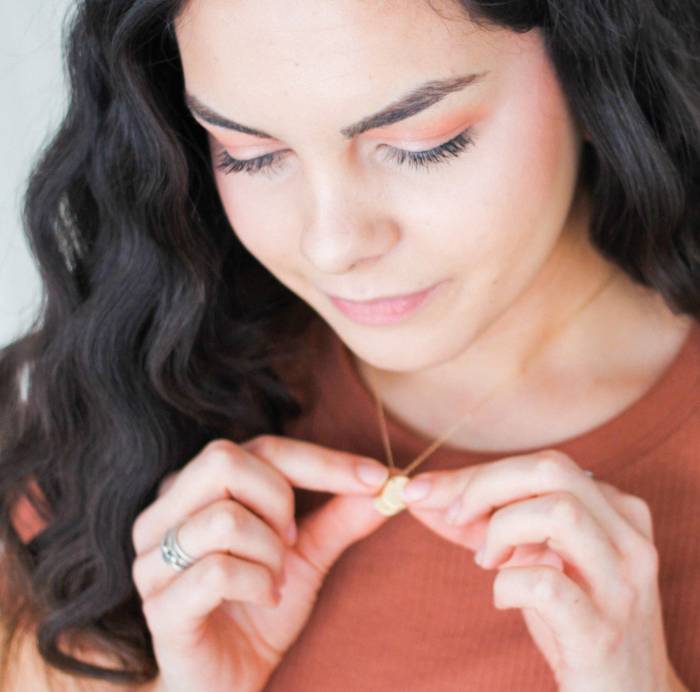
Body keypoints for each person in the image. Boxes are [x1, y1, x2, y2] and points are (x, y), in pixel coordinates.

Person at [0, 0, 697, 690]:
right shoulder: (106, 428)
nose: (332, 245)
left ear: (596, 71)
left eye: (425, 143)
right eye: (248, 154)